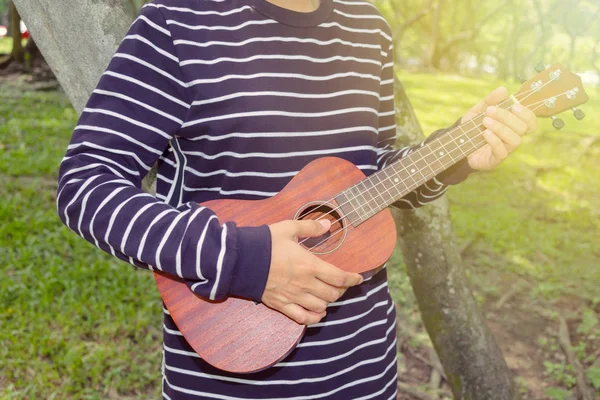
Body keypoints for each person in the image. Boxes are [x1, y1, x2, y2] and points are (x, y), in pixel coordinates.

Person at [56, 0, 537, 398]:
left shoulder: (368, 29)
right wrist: (246, 260)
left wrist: (454, 153)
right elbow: (85, 184)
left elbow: (369, 177)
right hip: (229, 374)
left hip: (364, 370)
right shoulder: (177, 24)